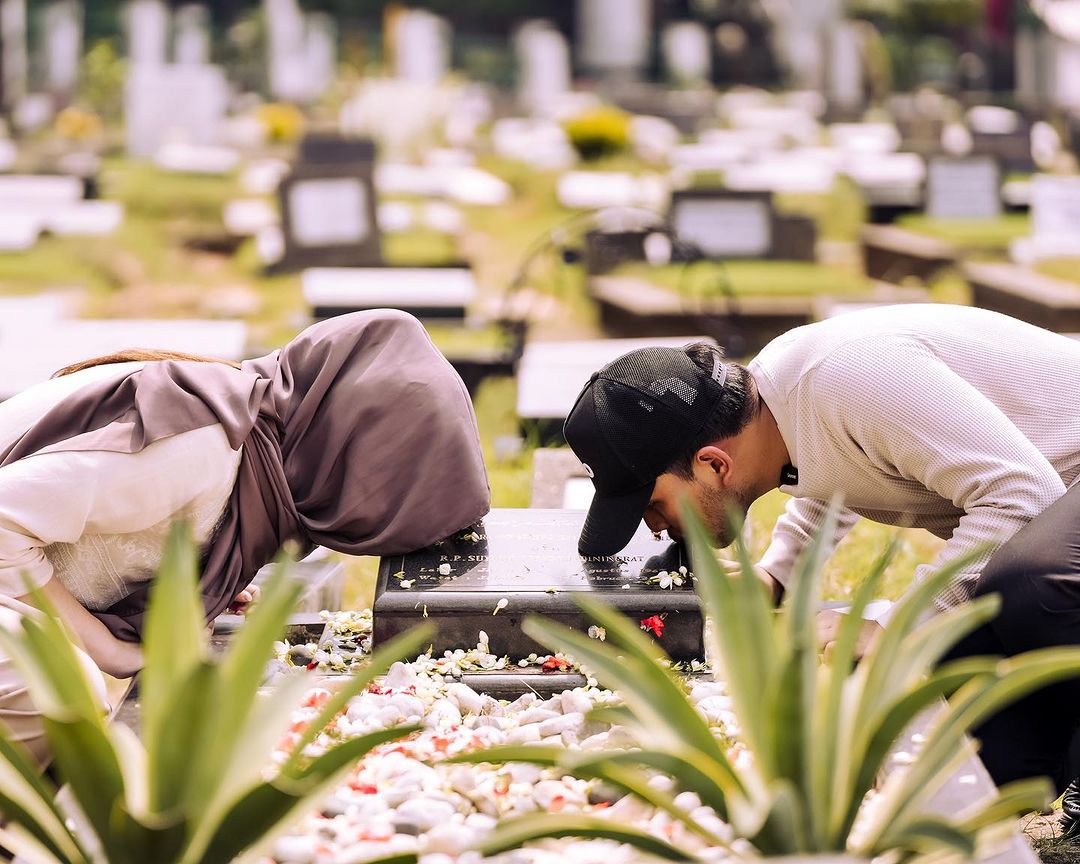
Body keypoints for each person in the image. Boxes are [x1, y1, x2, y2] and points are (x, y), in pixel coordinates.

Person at [563, 303, 1080, 807]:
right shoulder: (781, 408)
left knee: (1032, 585)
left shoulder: (850, 378)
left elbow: (1022, 494)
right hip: (1060, 502)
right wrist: (777, 572)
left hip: (1060, 491)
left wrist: (897, 626)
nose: (654, 529)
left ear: (713, 464)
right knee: (1002, 768)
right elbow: (838, 467)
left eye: (652, 505)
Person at [0, 309, 489, 761]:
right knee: (60, 689)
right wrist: (108, 650)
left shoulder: (247, 421)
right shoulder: (197, 451)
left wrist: (200, 572)